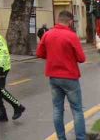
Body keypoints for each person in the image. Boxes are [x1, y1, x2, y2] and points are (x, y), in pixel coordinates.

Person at [36, 10, 86, 140]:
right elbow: (81, 58)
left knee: (57, 109)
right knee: (77, 110)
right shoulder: (71, 36)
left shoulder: (47, 34)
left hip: (54, 77)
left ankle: (61, 137)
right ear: (69, 22)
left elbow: (40, 53)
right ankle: (80, 138)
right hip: (70, 77)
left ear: (58, 20)